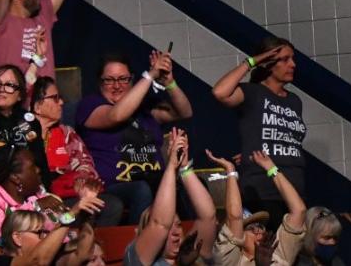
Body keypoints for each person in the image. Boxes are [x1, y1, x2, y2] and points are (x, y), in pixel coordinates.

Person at [78, 50, 192, 225]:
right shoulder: (90, 105)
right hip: (116, 185)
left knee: (191, 183)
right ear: (100, 82)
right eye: (109, 80)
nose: (117, 86)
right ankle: (139, 241)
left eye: (123, 79)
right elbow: (116, 115)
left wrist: (169, 83)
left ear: (131, 80)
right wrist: (150, 75)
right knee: (142, 189)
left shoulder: (145, 107)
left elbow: (184, 112)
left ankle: (192, 237)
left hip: (155, 178)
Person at [31, 76, 123, 226]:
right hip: (38, 199)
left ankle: (90, 241)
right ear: (37, 107)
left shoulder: (66, 133)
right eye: (55, 98)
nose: (61, 102)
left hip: (68, 195)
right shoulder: (23, 136)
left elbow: (85, 163)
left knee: (111, 205)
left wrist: (82, 179)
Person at [123, 128, 219, 266]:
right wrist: (172, 166)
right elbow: (160, 223)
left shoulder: (191, 255)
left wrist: (184, 168)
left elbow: (208, 216)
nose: (176, 232)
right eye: (169, 228)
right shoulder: (137, 259)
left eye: (178, 225)